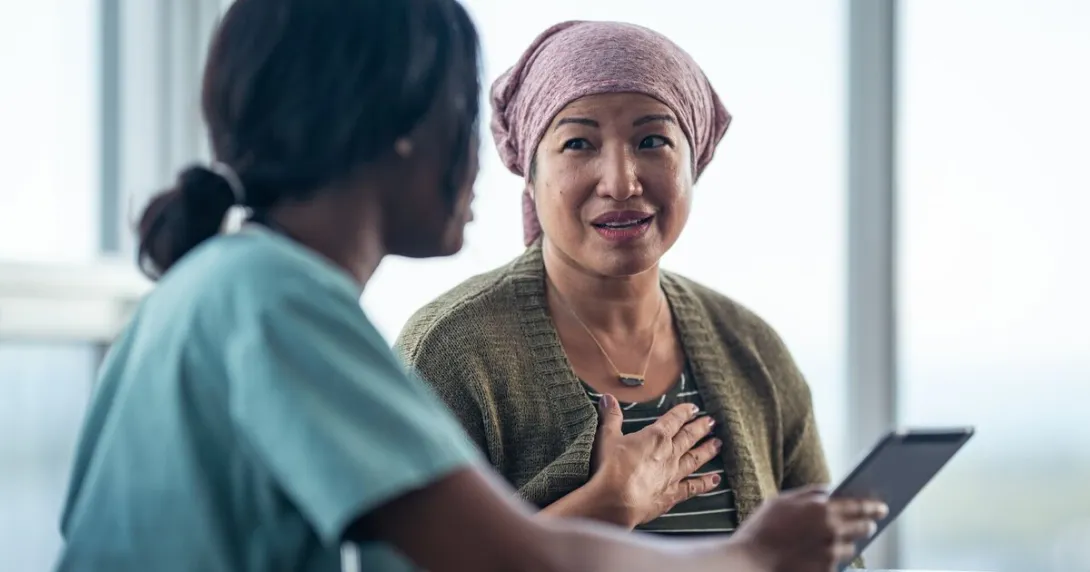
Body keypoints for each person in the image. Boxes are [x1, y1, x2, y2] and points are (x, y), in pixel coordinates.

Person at [54, 1, 885, 571]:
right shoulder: (276, 304)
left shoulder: (218, 288)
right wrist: (750, 554)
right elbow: (507, 560)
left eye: (653, 141)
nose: (491, 154)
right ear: (405, 130)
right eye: (464, 105)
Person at [396, 19, 838, 541]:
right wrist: (603, 508)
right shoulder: (451, 353)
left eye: (653, 140)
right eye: (579, 144)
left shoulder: (753, 349)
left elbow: (832, 551)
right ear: (530, 173)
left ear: (693, 162)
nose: (621, 181)